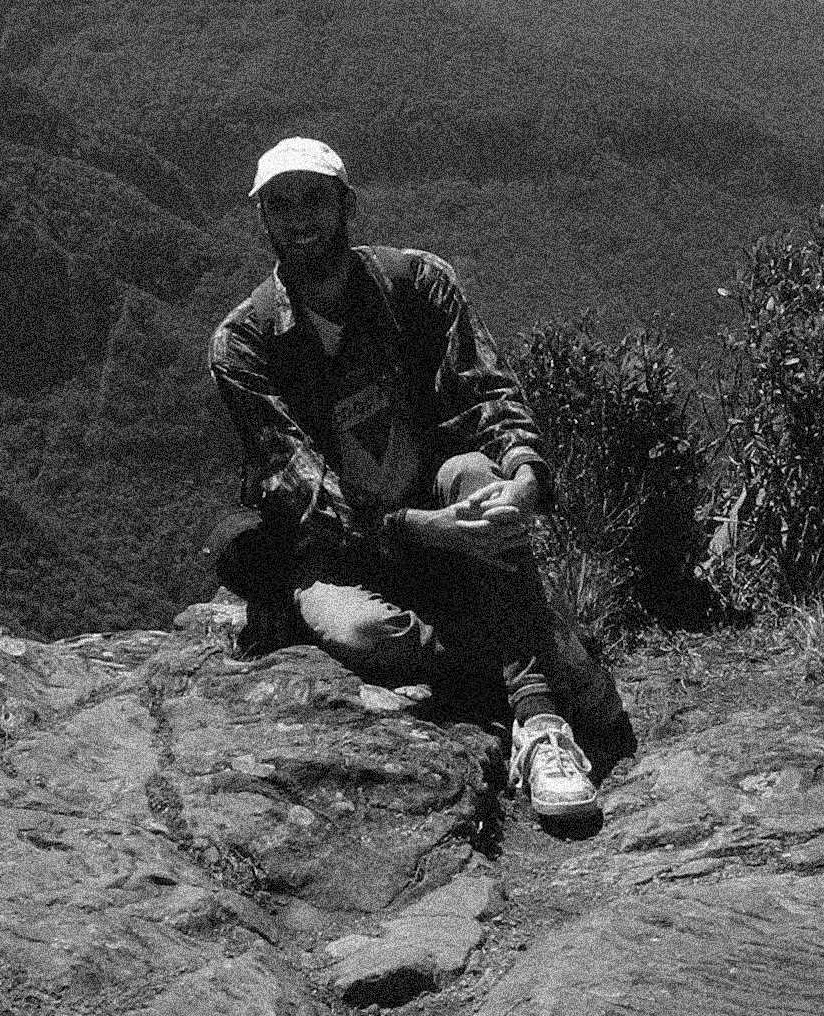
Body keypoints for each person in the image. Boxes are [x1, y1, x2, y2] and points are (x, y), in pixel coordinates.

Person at [206, 135, 634, 820]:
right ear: (262, 218)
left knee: (476, 475)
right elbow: (300, 486)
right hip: (343, 544)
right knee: (362, 634)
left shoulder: (419, 285)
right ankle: (536, 646)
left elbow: (484, 393)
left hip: (439, 493)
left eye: (314, 198)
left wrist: (524, 474)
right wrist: (418, 529)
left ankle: (538, 719)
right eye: (280, 204)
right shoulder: (246, 342)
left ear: (346, 204)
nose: (299, 217)